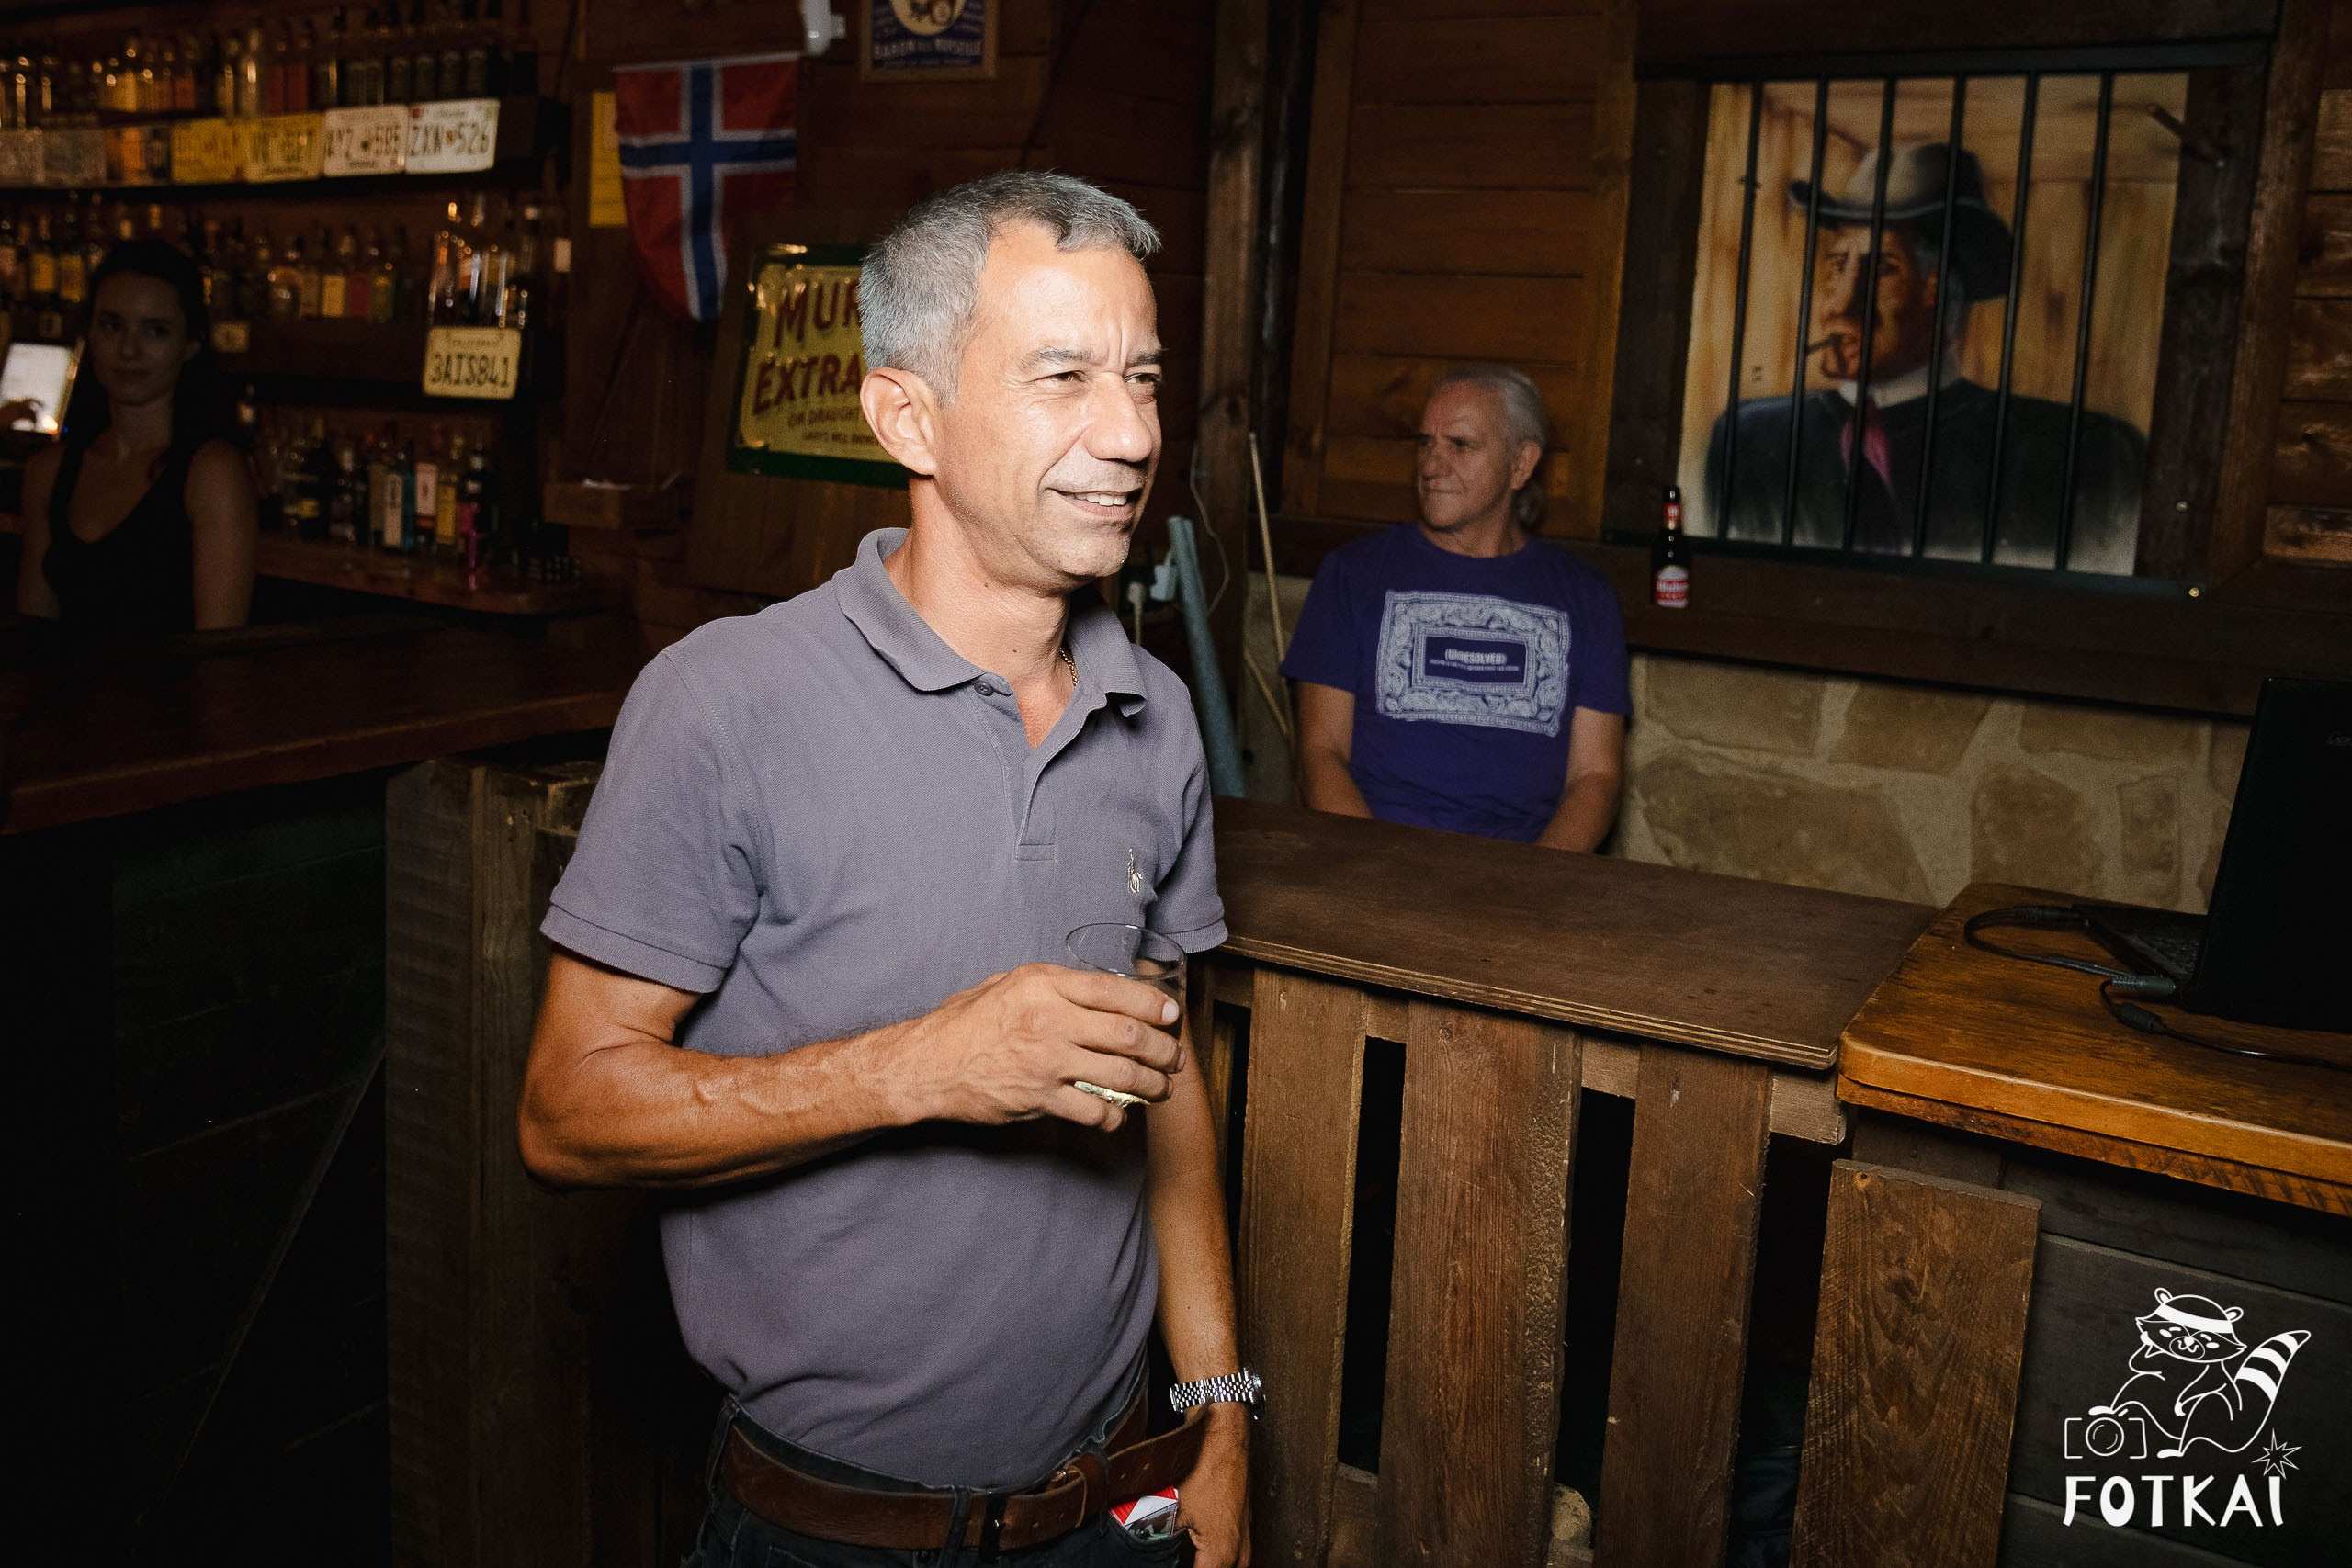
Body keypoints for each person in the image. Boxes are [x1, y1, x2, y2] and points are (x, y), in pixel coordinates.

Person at [518, 173, 1251, 1568]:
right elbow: (564, 1111)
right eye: (1064, 376)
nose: (1134, 433)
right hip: (825, 1528)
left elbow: (1170, 1079)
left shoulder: (1152, 715)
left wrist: (1223, 1419)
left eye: (1145, 376)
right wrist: (923, 1065)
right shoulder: (727, 699)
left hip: (1110, 1509)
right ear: (905, 415)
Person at [1703, 142, 2147, 573]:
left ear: (1936, 289)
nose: (1838, 305)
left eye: (1880, 269)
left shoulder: (2078, 456)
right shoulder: (1750, 442)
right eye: (1838, 266)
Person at [1281, 365, 1630, 848]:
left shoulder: (1585, 597)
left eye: (1460, 445)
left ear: (1521, 464)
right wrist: (1375, 871)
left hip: (1526, 873)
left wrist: (1531, 886)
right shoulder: (1353, 575)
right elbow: (1321, 752)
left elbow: (1596, 776)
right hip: (1372, 861)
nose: (1431, 465)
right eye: (1425, 442)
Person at [14, 239, 258, 635]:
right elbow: (33, 639)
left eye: (155, 331)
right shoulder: (49, 472)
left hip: (174, 698)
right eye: (111, 326)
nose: (129, 349)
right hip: (60, 697)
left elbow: (219, 665)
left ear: (191, 343)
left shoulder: (213, 475)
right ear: (89, 332)